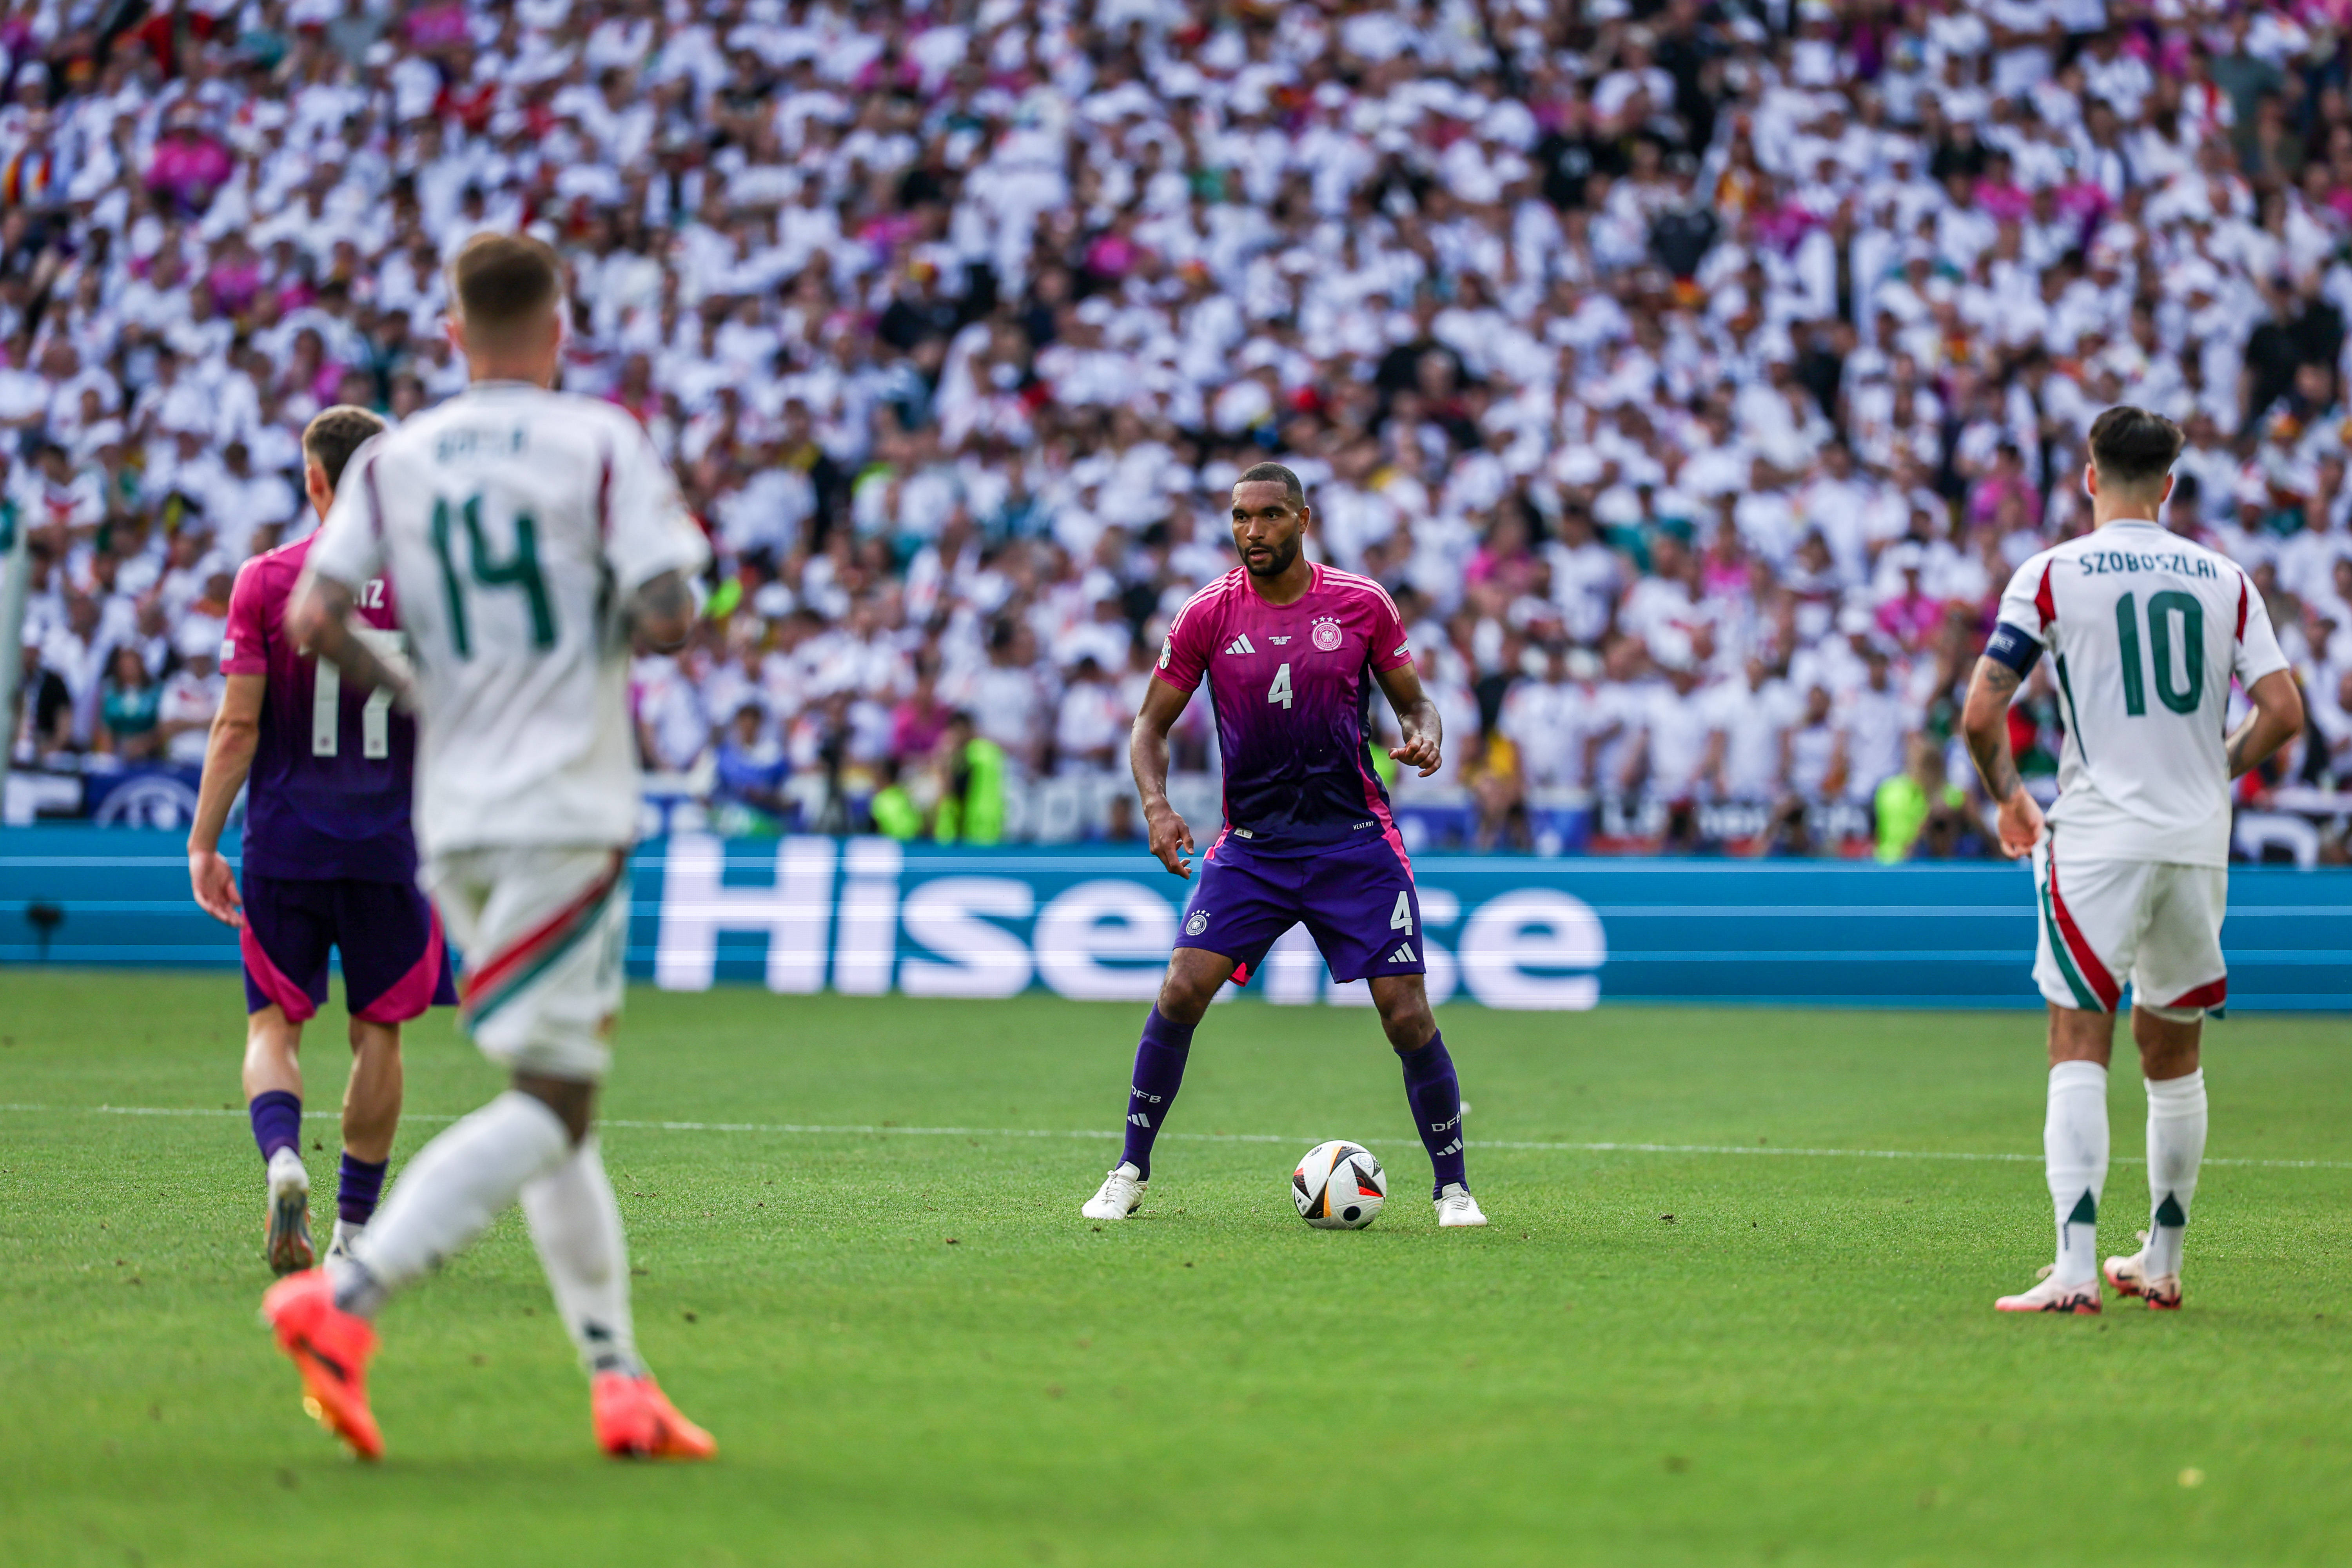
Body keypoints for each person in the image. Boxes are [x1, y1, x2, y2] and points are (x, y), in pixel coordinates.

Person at [260, 234, 716, 1461]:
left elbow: (315, 613)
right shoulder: (598, 439)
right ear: (559, 332)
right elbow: (672, 615)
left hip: (451, 814)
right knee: (558, 1095)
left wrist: (427, 692)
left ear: (453, 335)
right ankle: (342, 1304)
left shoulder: (398, 460)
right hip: (565, 803)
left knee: (551, 1100)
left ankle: (619, 1379)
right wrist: (632, 612)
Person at [1960, 406, 2305, 1315]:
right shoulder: (2225, 578)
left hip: (2101, 834)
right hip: (2196, 839)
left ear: (2087, 477)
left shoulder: (2051, 574)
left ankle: (2075, 1267)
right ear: (2169, 485)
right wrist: (2211, 768)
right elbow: (2283, 711)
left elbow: (1980, 713)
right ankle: (2163, 1256)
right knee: (2175, 1053)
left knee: (2079, 1035)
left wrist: (2010, 797)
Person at [1080, 461, 1488, 1229]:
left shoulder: (1361, 604)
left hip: (1354, 842)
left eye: (1269, 516)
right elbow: (1150, 724)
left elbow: (1416, 701)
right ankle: (1129, 1170)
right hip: (1255, 847)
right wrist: (1158, 804)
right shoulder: (1208, 613)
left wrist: (1425, 736)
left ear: (1304, 520)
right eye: (1240, 516)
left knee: (1405, 1012)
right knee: (1179, 990)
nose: (1252, 531)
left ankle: (1454, 1189)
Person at [185, 405, 454, 1277]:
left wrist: (203, 842)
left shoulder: (266, 580)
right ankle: (353, 1231)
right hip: (394, 852)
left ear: (315, 479)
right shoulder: (431, 582)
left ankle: (283, 1160)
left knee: (274, 1025)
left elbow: (236, 727)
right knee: (380, 1035)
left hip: (286, 845)